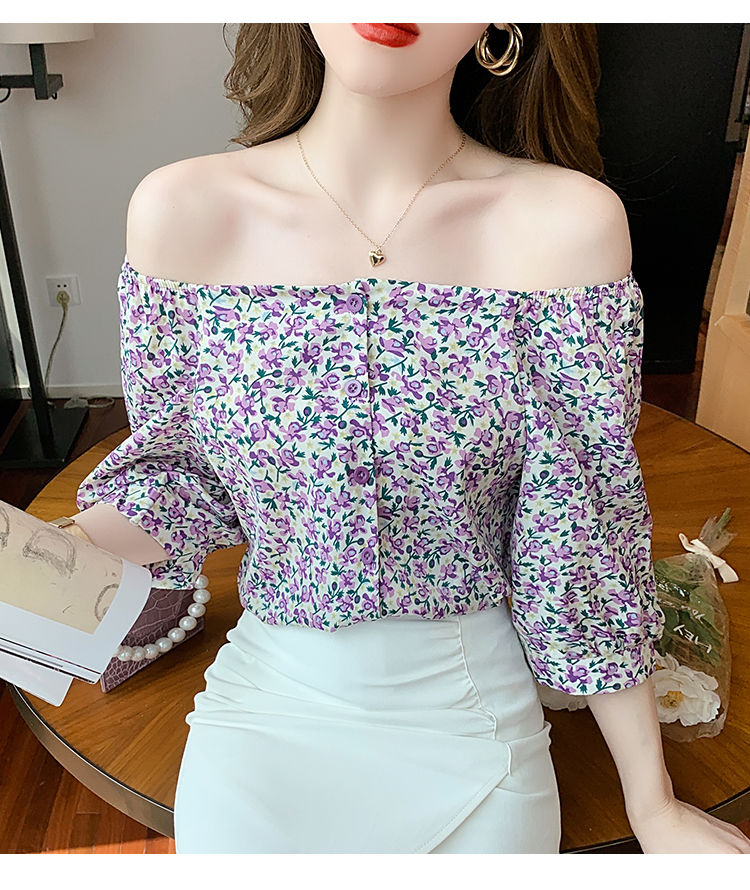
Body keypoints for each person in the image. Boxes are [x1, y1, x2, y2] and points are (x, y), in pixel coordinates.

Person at [63, 24, 750, 853]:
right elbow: (180, 478)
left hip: (472, 724)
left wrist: (653, 805)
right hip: (267, 724)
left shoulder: (565, 226)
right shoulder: (185, 210)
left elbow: (577, 538)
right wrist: (40, 557)